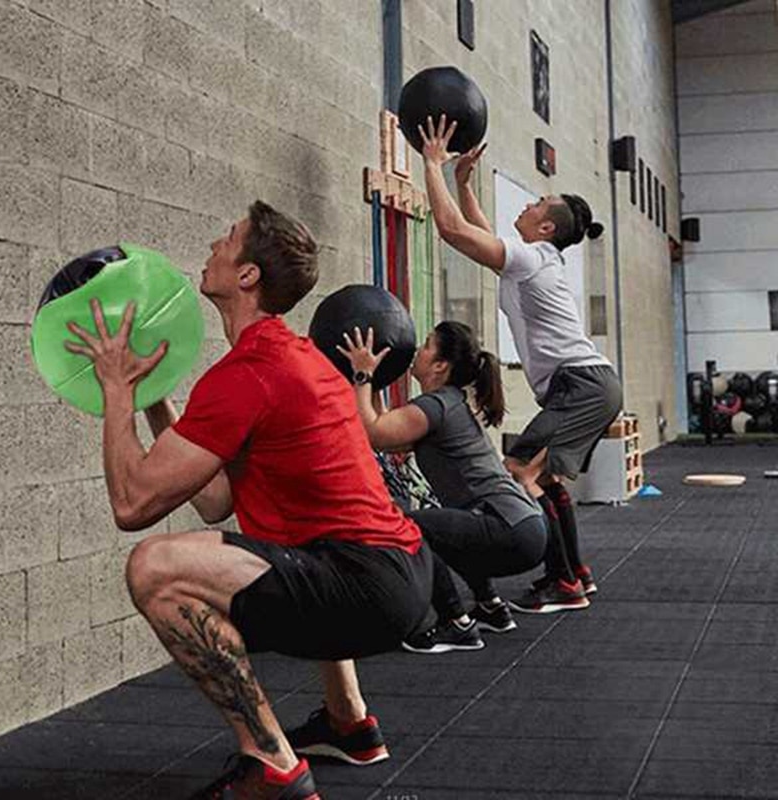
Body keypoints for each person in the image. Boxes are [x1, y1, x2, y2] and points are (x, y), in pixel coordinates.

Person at [64, 201, 433, 799]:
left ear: (247, 276)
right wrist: (155, 397)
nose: (213, 244)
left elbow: (132, 504)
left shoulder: (250, 372)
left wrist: (115, 390)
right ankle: (350, 724)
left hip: (368, 581)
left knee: (154, 569)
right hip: (394, 572)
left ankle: (272, 764)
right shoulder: (289, 360)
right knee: (296, 545)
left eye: (227, 239)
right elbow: (213, 501)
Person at [418, 114, 623, 614]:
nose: (527, 205)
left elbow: (450, 230)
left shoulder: (532, 258)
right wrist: (463, 182)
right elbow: (476, 230)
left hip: (583, 385)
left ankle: (561, 582)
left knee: (519, 474)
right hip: (588, 385)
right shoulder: (532, 259)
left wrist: (431, 164)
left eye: (536, 204)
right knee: (544, 478)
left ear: (546, 227)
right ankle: (573, 575)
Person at [339, 321, 547, 653]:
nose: (417, 351)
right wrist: (376, 383)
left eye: (426, 345)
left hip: (508, 528)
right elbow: (389, 437)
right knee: (453, 525)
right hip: (526, 527)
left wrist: (361, 375)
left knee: (408, 526)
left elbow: (371, 433)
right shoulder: (445, 403)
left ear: (440, 365)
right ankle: (491, 606)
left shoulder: (435, 406)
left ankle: (456, 622)